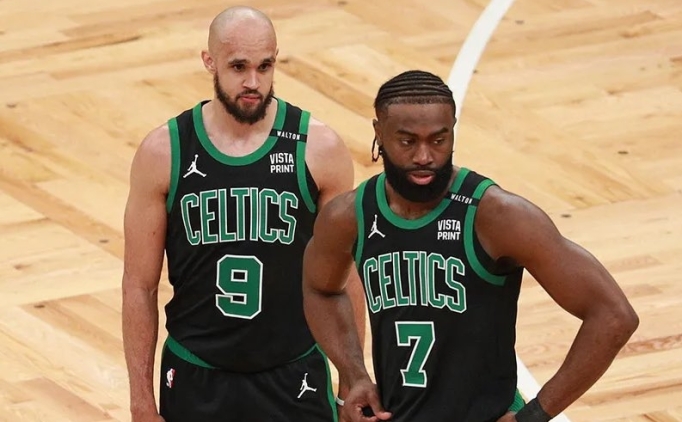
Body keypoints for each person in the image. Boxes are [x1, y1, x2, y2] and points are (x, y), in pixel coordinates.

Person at [302, 70, 639, 422]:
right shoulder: (350, 216)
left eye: (438, 139)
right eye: (407, 141)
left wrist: (534, 416)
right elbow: (320, 289)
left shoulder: (497, 215)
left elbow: (613, 315)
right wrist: (354, 374)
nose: (424, 156)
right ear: (379, 133)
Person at [121, 6, 365, 422]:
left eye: (264, 66)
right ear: (209, 61)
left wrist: (352, 382)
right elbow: (139, 286)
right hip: (196, 376)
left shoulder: (319, 149)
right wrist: (141, 401)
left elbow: (346, 279)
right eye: (238, 67)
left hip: (293, 376)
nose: (253, 82)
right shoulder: (164, 152)